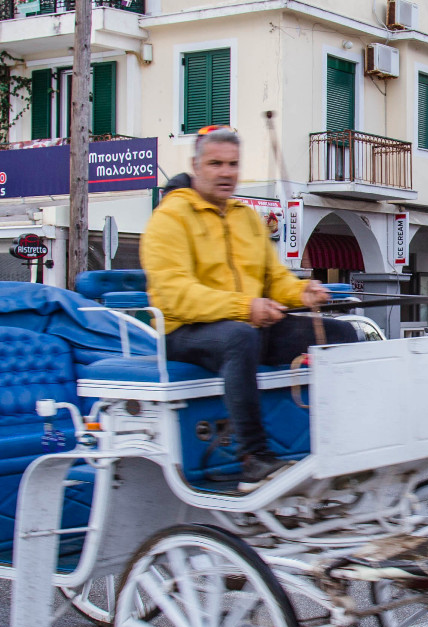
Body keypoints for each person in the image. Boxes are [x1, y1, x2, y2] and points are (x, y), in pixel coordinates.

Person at [143, 126, 357, 486]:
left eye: (233, 164)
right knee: (239, 337)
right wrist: (245, 307)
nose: (226, 172)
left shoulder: (246, 217)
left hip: (245, 325)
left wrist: (302, 292)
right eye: (215, 164)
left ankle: (344, 444)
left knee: (343, 333)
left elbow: (274, 278)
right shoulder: (170, 217)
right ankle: (254, 458)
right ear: (196, 166)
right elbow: (175, 293)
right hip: (184, 332)